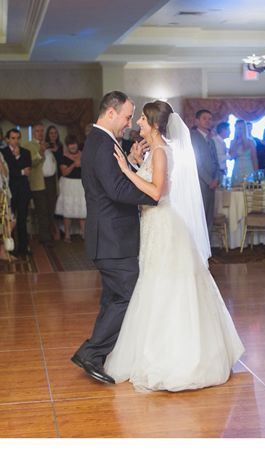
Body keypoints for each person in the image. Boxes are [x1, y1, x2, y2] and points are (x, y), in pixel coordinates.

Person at [102, 100, 244, 391]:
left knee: (165, 286)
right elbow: (148, 179)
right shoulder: (154, 150)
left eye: (141, 118)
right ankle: (152, 349)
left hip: (165, 225)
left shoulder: (161, 150)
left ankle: (177, 355)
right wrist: (132, 160)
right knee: (154, 285)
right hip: (154, 225)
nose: (137, 122)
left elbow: (157, 191)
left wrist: (126, 171)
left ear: (154, 124)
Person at [72, 91, 158, 385]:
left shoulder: (103, 141)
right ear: (110, 113)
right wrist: (154, 196)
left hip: (110, 237)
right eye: (126, 116)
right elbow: (117, 191)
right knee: (125, 295)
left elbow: (117, 181)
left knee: (113, 298)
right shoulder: (101, 144)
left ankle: (97, 352)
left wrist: (133, 163)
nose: (129, 122)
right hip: (111, 238)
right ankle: (92, 353)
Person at [1, 129, 32, 257]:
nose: (15, 141)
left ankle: (23, 248)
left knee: (22, 219)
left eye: (17, 138)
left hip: (23, 190)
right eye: (13, 138)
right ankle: (10, 248)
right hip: (9, 192)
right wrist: (20, 170)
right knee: (9, 220)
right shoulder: (3, 153)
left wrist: (18, 158)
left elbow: (28, 169)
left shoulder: (25, 152)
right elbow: (9, 172)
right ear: (7, 139)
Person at [190, 109, 220, 232]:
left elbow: (216, 162)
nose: (208, 121)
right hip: (200, 182)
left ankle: (208, 248)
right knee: (199, 216)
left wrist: (217, 178)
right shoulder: (192, 137)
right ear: (197, 121)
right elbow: (196, 162)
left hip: (212, 182)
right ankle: (200, 249)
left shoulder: (211, 140)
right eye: (204, 118)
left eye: (210, 119)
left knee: (209, 216)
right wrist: (209, 181)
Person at [56, 136, 86, 242]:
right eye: (70, 144)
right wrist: (74, 164)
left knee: (82, 210)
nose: (72, 146)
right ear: (67, 146)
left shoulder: (84, 154)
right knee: (67, 210)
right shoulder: (63, 156)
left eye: (74, 144)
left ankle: (83, 234)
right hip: (68, 185)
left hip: (81, 185)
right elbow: (64, 172)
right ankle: (67, 235)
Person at [24, 124, 51, 244]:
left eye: (41, 131)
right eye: (37, 131)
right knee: (38, 211)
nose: (40, 133)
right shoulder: (28, 145)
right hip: (35, 183)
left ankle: (46, 237)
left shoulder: (46, 144)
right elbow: (31, 163)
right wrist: (41, 151)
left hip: (47, 183)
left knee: (45, 211)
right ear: (33, 132)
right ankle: (38, 239)